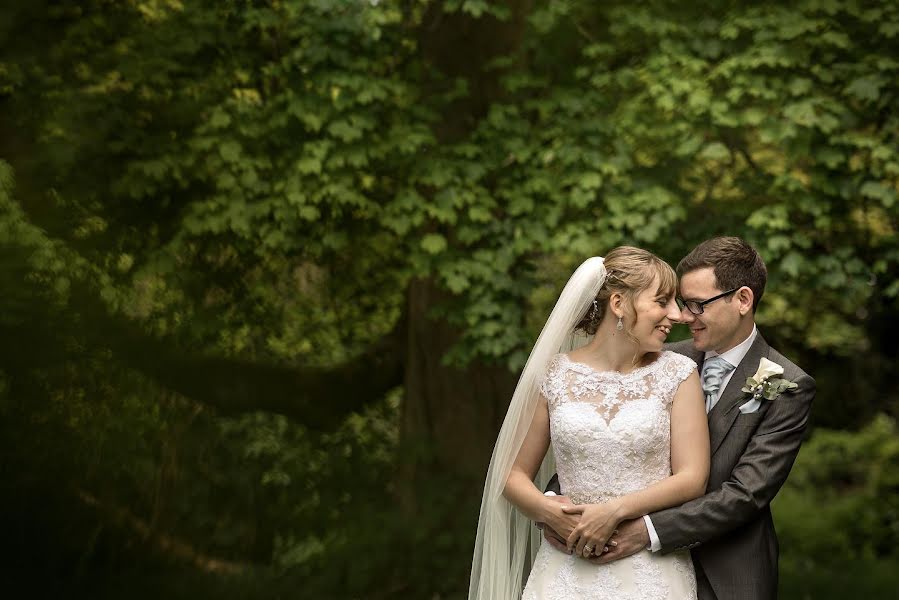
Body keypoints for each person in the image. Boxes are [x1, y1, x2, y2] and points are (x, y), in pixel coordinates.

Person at [543, 237, 816, 600]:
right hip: (623, 569)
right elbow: (602, 432)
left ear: (743, 300)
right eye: (680, 303)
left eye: (696, 305)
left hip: (726, 575)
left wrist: (647, 531)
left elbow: (745, 494)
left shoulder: (785, 384)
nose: (683, 316)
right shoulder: (658, 359)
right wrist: (556, 505)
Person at [469, 246, 709, 599]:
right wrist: (548, 511)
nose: (676, 314)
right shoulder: (555, 375)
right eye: (661, 301)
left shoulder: (677, 374)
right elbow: (511, 472)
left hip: (650, 572)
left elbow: (692, 478)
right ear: (618, 305)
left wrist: (613, 511)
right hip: (565, 568)